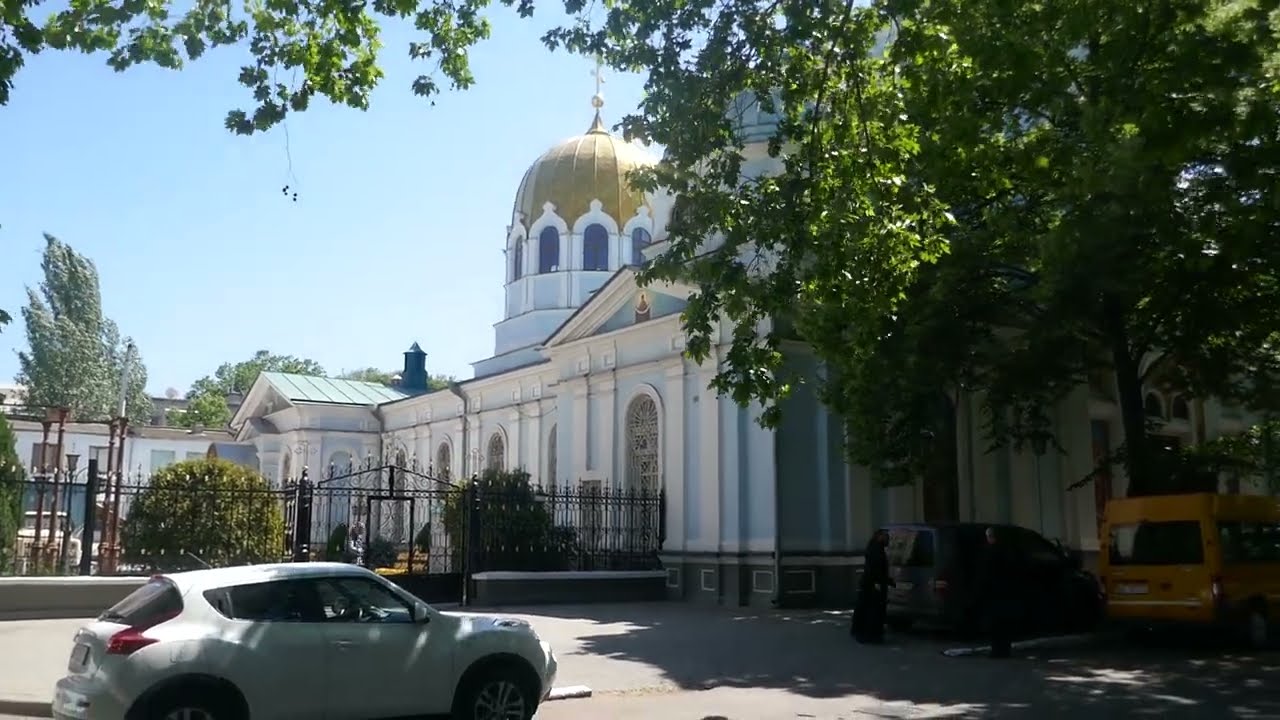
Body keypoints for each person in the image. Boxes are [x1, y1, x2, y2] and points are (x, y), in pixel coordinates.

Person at [852, 529, 895, 644]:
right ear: (879, 537)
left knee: (869, 610)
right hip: (873, 585)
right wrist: (881, 582)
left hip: (872, 584)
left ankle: (867, 634)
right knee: (873, 611)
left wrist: (887, 581)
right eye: (886, 537)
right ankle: (870, 635)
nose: (888, 539)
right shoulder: (876, 550)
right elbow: (875, 569)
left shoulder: (875, 548)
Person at [981, 526, 1015, 658]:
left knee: (995, 624)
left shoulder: (989, 552)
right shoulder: (1006, 551)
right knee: (1004, 623)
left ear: (990, 537)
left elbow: (985, 574)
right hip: (1004, 592)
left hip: (993, 593)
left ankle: (997, 650)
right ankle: (1005, 649)